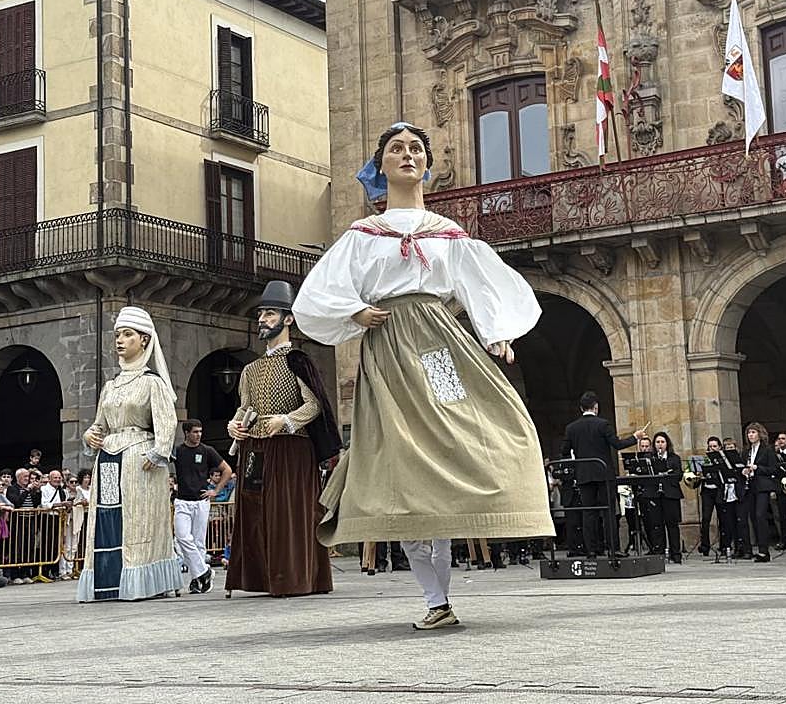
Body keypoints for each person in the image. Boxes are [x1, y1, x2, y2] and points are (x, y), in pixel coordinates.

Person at [292, 122, 555, 630]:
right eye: (396, 149)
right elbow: (320, 293)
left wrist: (497, 333)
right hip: (388, 349)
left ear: (427, 165)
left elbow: (479, 284)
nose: (407, 155)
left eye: (415, 149)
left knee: (460, 430)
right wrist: (354, 311)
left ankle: (456, 564)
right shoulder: (362, 235)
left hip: (438, 346)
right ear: (381, 165)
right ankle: (436, 599)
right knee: (400, 459)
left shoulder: (447, 233)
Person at [227, 280, 340, 599]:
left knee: (288, 513)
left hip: (292, 449)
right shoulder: (249, 369)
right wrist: (234, 425)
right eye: (261, 314)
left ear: (288, 319)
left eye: (270, 314)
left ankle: (293, 578)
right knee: (255, 512)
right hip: (255, 448)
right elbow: (245, 406)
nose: (263, 319)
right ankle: (261, 579)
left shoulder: (298, 361)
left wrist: (287, 421)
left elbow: (314, 404)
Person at [77, 306, 184, 602]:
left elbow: (167, 423)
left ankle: (139, 581)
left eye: (127, 335)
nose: (120, 341)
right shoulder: (110, 386)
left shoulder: (152, 382)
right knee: (108, 517)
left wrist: (158, 453)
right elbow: (99, 424)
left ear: (144, 339)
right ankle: (107, 580)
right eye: (117, 336)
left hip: (140, 461)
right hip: (109, 461)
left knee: (138, 521)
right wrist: (89, 435)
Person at [563, 392, 649, 559]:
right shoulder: (603, 424)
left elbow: (565, 451)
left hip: (584, 475)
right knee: (608, 512)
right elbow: (617, 444)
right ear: (596, 407)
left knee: (588, 513)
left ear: (581, 408)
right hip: (603, 474)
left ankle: (591, 550)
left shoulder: (571, 428)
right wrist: (635, 437)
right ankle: (613, 549)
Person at [173, 419, 231, 595]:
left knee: (198, 543)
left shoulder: (207, 450)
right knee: (182, 537)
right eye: (195, 432)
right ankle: (204, 571)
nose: (198, 435)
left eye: (200, 431)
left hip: (201, 502)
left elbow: (227, 470)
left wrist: (216, 491)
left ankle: (197, 581)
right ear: (186, 433)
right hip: (182, 501)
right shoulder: (177, 451)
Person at [638, 431, 683, 563]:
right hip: (654, 494)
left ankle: (676, 553)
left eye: (662, 442)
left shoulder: (674, 458)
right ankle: (659, 552)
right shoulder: (650, 458)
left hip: (670, 494)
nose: (660, 445)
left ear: (667, 444)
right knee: (656, 524)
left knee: (672, 525)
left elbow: (678, 475)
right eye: (657, 442)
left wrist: (667, 474)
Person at [742, 422, 777, 562]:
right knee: (753, 517)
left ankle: (764, 550)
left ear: (760, 434)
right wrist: (744, 471)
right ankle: (759, 548)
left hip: (763, 486)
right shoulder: (746, 451)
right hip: (750, 486)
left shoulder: (767, 450)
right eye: (749, 433)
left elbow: (773, 469)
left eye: (753, 432)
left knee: (760, 515)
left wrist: (757, 468)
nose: (750, 435)